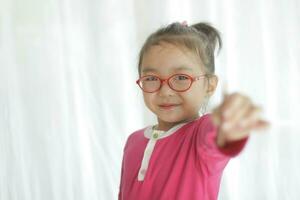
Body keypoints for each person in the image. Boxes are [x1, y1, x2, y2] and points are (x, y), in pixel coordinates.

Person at [118, 21, 269, 200]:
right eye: (151, 78)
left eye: (181, 77)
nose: (165, 91)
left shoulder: (200, 138)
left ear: (209, 86)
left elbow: (218, 133)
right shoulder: (133, 141)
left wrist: (230, 120)